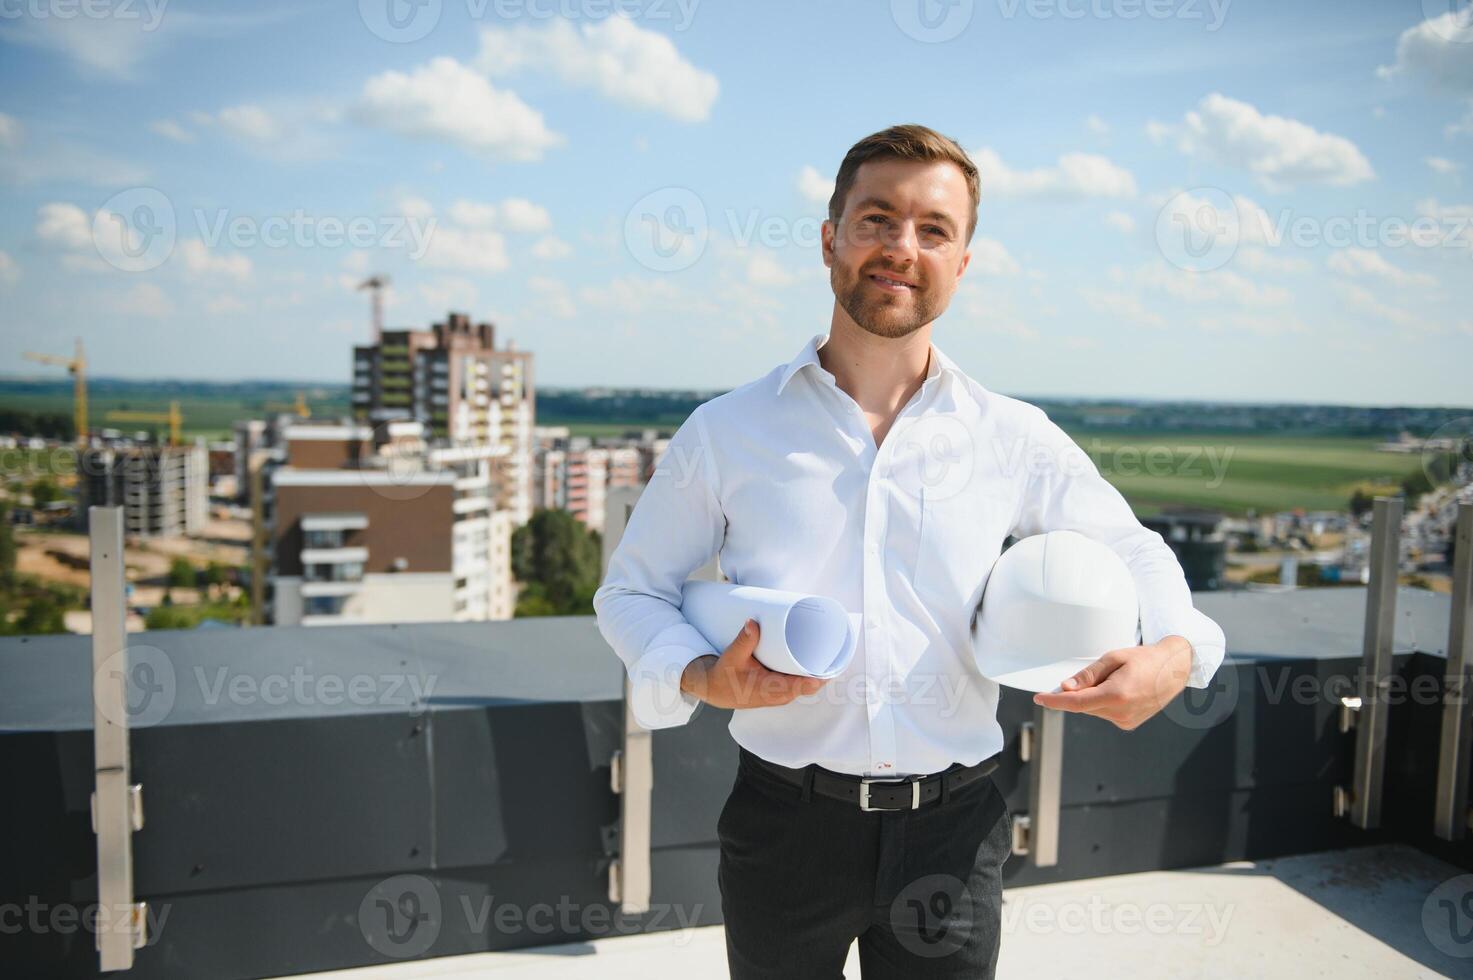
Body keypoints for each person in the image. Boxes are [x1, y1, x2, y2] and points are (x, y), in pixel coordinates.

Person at [593, 124, 1227, 979]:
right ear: (829, 240)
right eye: (876, 219)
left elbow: (1133, 548)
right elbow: (631, 593)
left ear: (961, 262)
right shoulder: (727, 432)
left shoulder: (1012, 436)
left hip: (954, 835)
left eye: (933, 229)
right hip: (785, 826)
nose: (901, 247)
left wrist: (1177, 652)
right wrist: (700, 677)